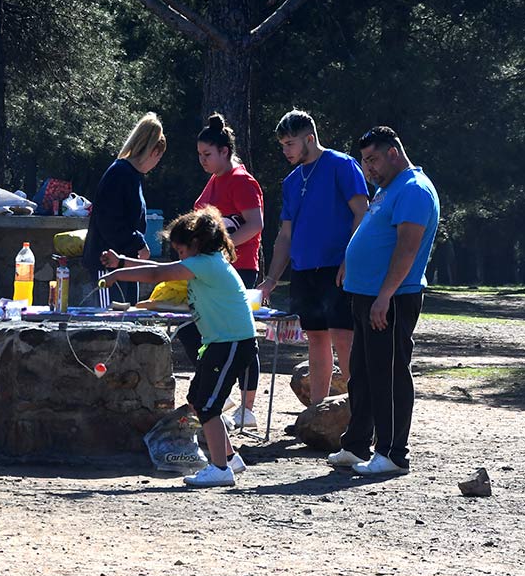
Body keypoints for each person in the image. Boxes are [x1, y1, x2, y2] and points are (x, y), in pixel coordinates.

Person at [100, 206, 258, 488]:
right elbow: (160, 269)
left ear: (196, 243)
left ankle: (220, 470)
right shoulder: (205, 262)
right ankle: (229, 458)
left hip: (232, 343)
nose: (180, 257)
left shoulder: (206, 263)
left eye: (181, 251)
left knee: (208, 406)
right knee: (198, 401)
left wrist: (119, 273)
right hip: (218, 343)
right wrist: (122, 261)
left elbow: (157, 274)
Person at [329, 127, 439, 476]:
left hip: (392, 299)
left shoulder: (414, 190)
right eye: (364, 161)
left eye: (373, 159)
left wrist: (385, 295)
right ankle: (356, 445)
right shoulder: (388, 189)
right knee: (361, 374)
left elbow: (407, 248)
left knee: (388, 375)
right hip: (366, 296)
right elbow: (373, 234)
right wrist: (351, 260)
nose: (368, 169)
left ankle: (393, 453)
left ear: (393, 153)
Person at [258, 110, 368, 404]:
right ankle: (318, 411)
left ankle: (362, 413)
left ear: (309, 138)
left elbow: (362, 213)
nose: (285, 151)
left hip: (338, 268)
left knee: (343, 338)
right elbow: (285, 235)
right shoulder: (291, 181)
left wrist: (350, 259)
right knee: (316, 338)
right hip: (304, 270)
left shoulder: (342, 165)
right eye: (282, 145)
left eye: (290, 144)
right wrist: (271, 279)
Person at [176, 114, 264, 427]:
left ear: (225, 151)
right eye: (199, 155)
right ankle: (219, 390)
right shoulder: (214, 179)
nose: (202, 160)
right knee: (191, 331)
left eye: (207, 154)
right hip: (209, 271)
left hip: (239, 268)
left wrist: (221, 249)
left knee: (242, 335)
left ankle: (247, 407)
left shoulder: (242, 180)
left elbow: (255, 224)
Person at [82, 113, 166, 307]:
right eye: (159, 158)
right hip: (106, 263)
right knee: (109, 318)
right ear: (153, 152)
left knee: (128, 318)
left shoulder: (132, 175)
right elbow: (109, 221)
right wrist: (138, 243)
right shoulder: (119, 173)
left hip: (125, 263)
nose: (156, 164)